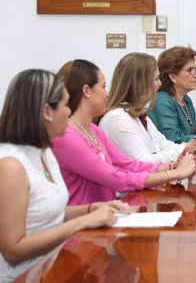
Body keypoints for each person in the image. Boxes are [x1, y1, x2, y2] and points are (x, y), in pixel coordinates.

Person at [0, 69, 129, 281]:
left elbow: (46, 213)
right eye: (66, 105)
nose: (70, 113)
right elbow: (13, 250)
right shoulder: (11, 165)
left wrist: (93, 208)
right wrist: (81, 222)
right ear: (47, 112)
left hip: (49, 268)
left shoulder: (44, 152)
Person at [52, 60, 196, 206]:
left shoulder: (93, 130)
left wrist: (173, 166)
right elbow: (116, 178)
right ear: (86, 91)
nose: (107, 94)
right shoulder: (67, 137)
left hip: (105, 213)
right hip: (85, 219)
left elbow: (129, 165)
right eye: (103, 87)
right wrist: (176, 173)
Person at [99, 52, 196, 163]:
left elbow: (164, 144)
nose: (160, 84)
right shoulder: (118, 118)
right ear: (140, 83)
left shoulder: (138, 114)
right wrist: (189, 147)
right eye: (156, 79)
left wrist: (189, 147)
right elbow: (144, 162)